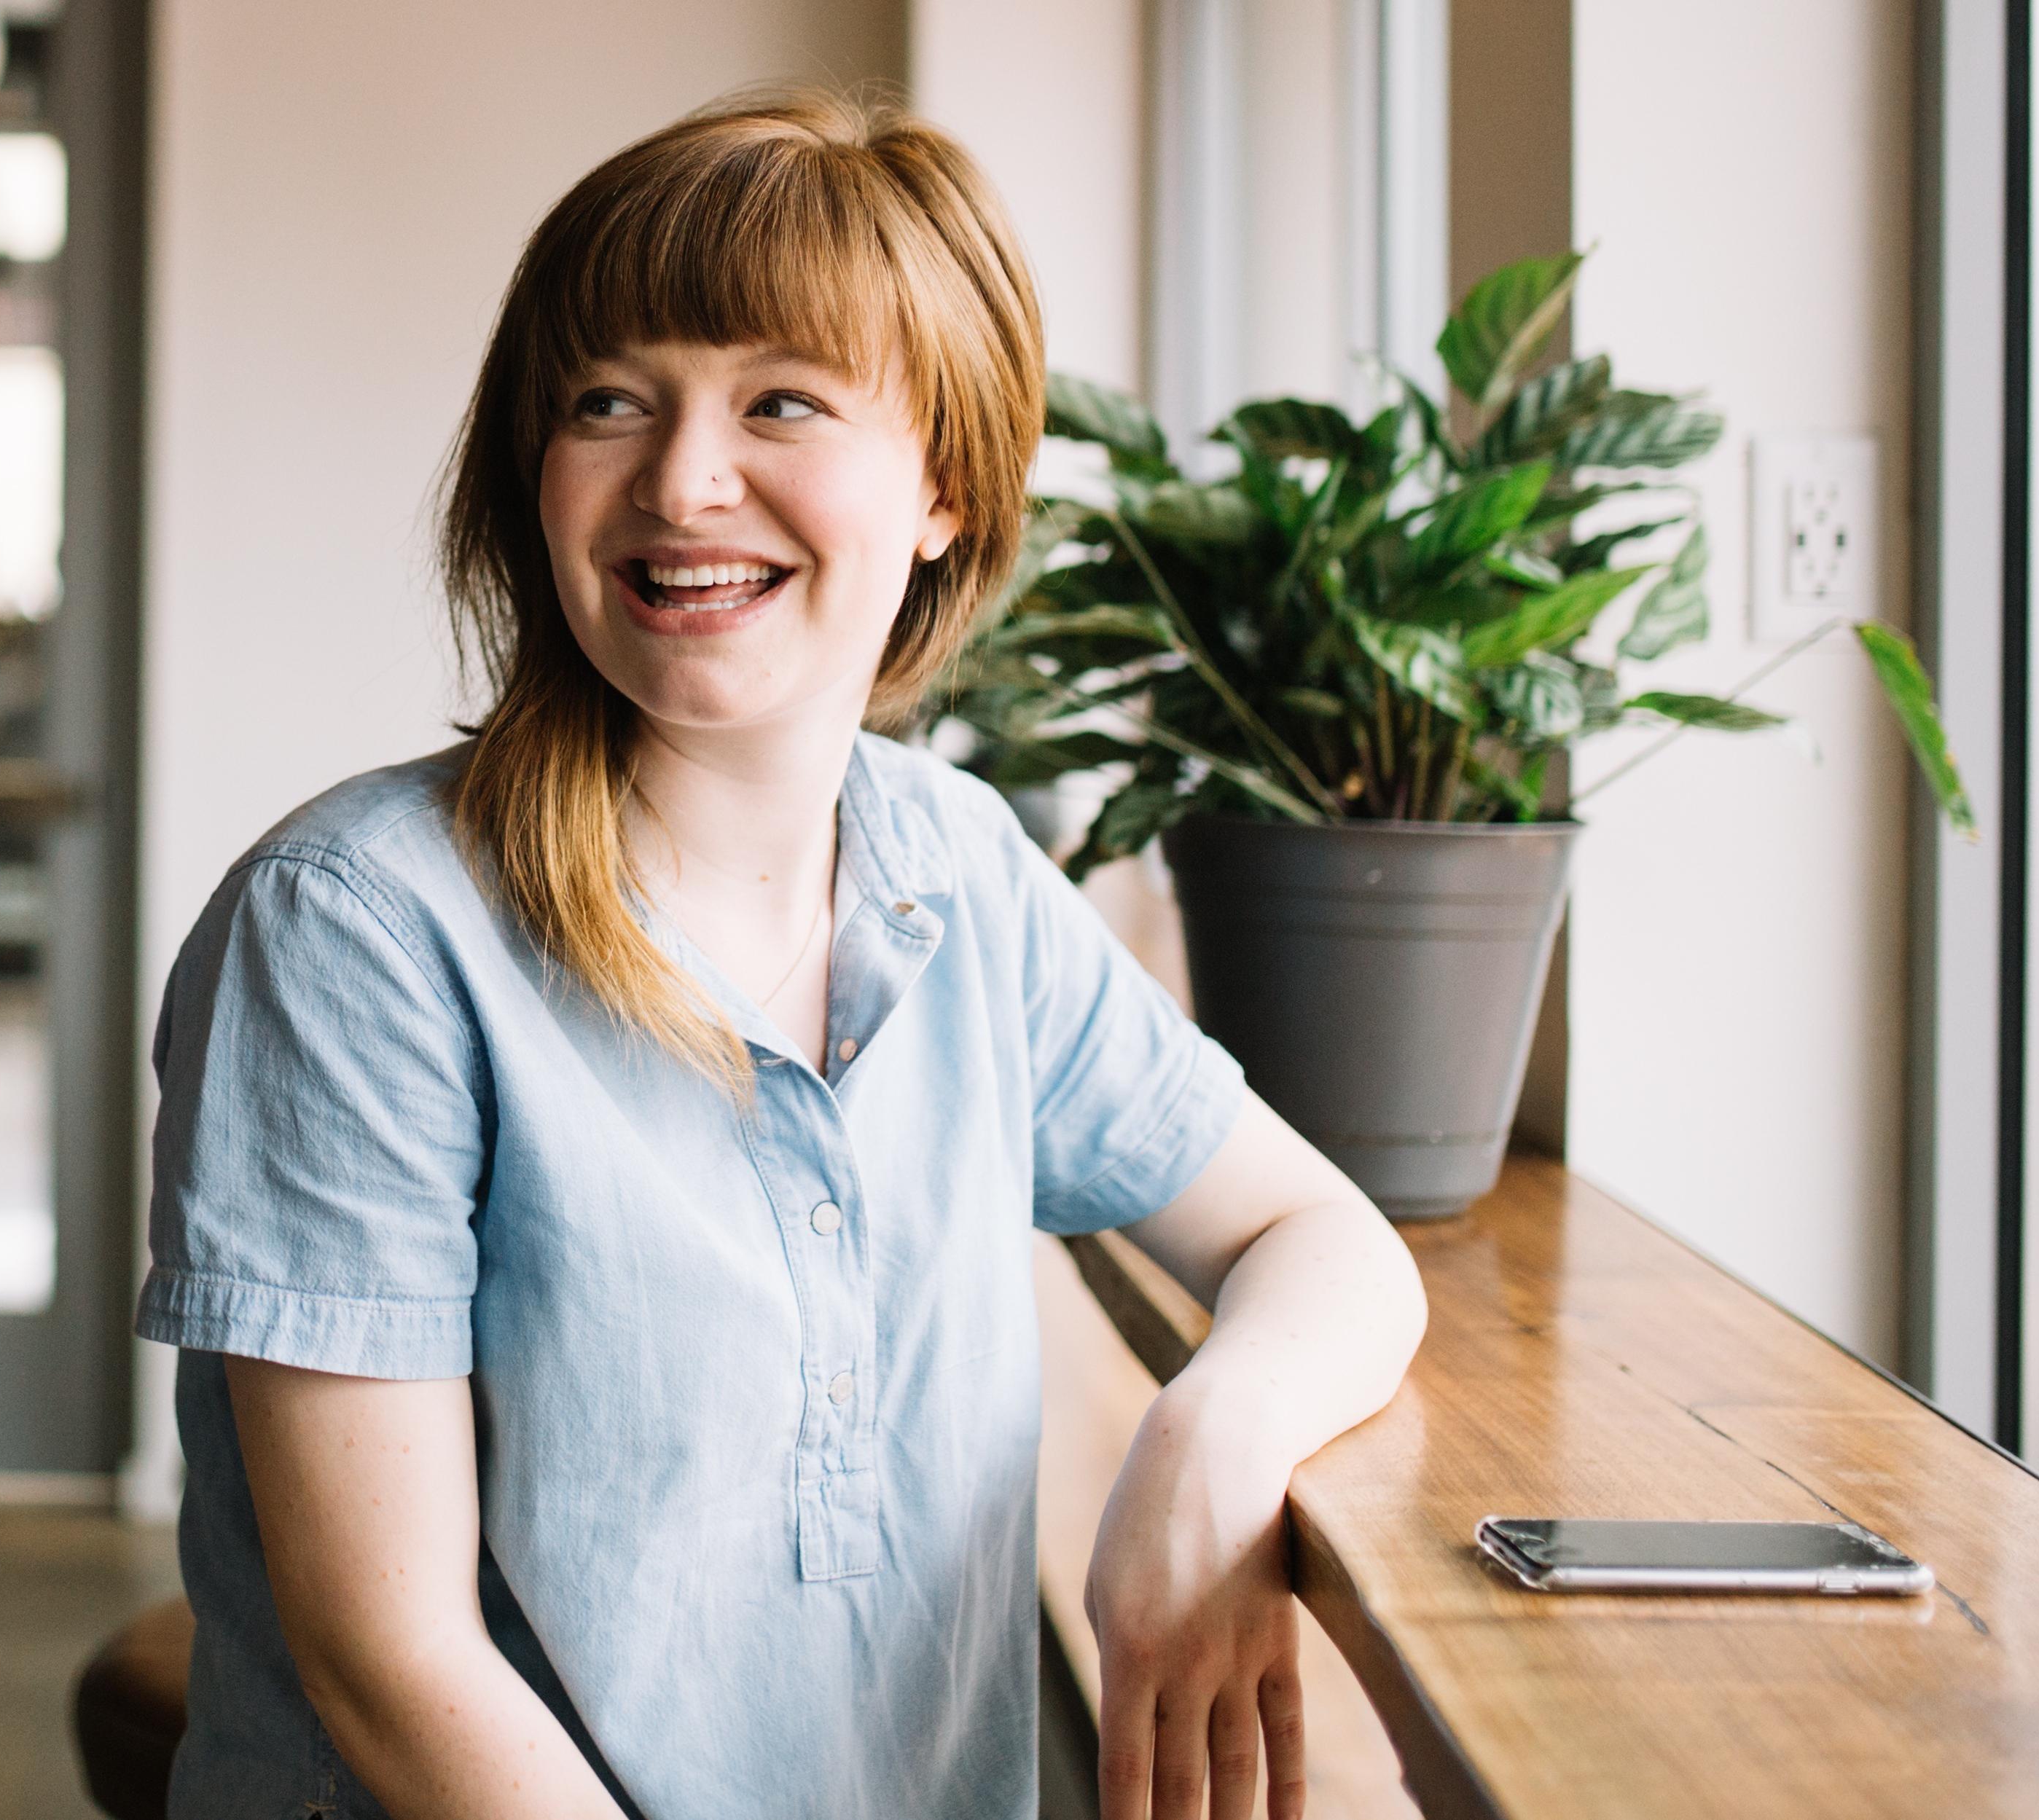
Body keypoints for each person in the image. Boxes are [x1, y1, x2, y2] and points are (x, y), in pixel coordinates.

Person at [137, 88, 1427, 1820]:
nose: (681, 481)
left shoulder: (956, 869)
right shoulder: (356, 929)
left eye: (781, 402)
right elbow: (395, 1667)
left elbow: (1321, 1237)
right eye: (609, 402)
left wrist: (1211, 1440)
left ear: (946, 490)